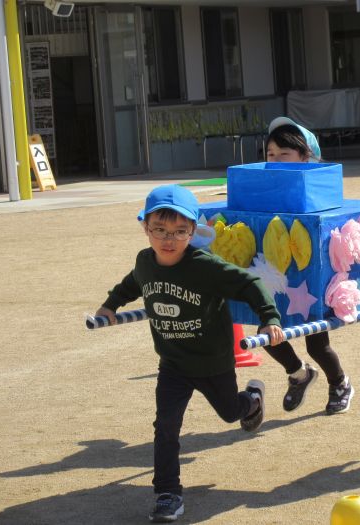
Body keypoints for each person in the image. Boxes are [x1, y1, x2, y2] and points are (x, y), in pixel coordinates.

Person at [94, 184, 284, 523]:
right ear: (145, 228)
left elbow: (249, 284)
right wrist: (110, 306)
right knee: (165, 425)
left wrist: (269, 318)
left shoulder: (204, 266)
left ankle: (252, 399)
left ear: (193, 230)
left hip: (213, 361)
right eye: (160, 230)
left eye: (180, 232)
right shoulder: (145, 262)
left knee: (230, 414)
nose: (169, 239)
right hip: (173, 364)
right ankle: (168, 493)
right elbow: (132, 282)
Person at [262, 116, 355, 415]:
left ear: (305, 157)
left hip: (309, 280)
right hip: (275, 274)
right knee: (267, 334)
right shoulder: (263, 188)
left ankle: (340, 383)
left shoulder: (318, 191)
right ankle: (299, 374)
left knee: (317, 344)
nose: (275, 162)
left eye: (284, 154)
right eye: (270, 155)